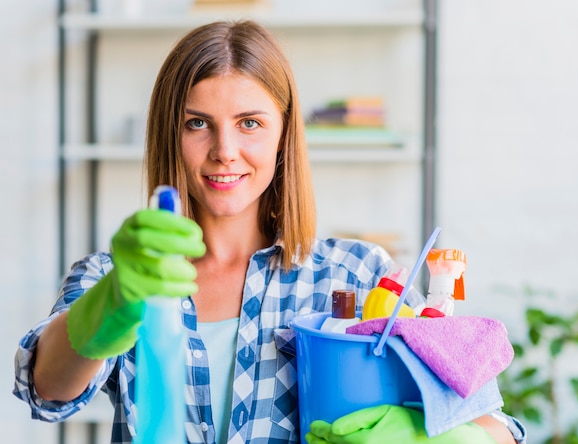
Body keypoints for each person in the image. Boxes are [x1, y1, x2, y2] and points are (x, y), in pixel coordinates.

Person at [14, 20, 526, 444]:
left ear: (283, 135)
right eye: (197, 124)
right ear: (169, 132)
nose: (224, 150)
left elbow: (497, 423)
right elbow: (46, 388)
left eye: (249, 123)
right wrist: (115, 300)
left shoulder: (359, 276)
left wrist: (428, 437)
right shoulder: (114, 275)